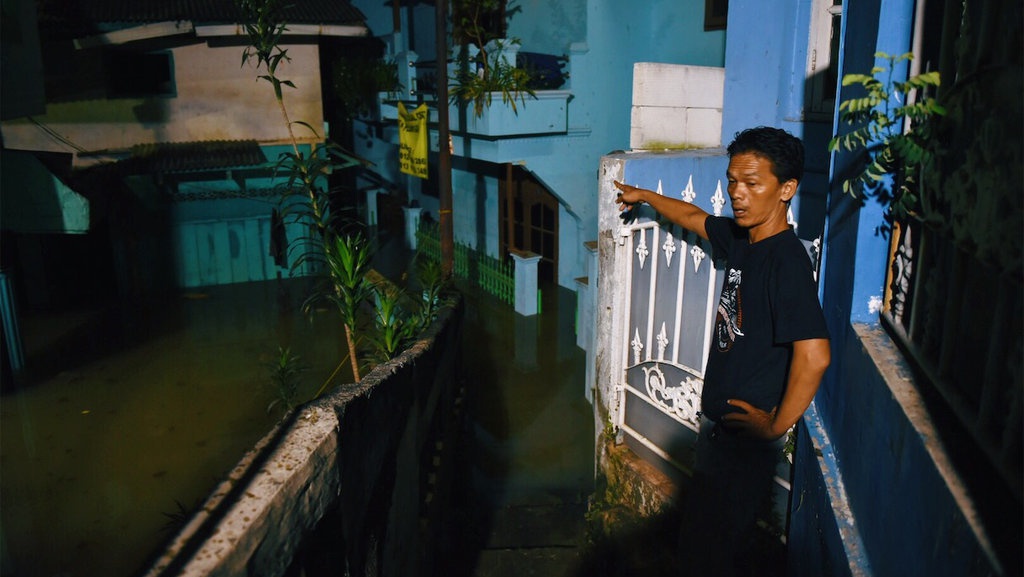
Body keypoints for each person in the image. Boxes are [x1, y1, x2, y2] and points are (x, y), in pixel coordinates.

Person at [614, 126, 831, 576]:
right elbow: (693, 217)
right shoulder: (742, 238)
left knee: (710, 553)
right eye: (733, 181)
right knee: (699, 541)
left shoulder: (785, 262)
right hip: (718, 432)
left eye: (753, 183)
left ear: (786, 189)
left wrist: (774, 426)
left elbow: (815, 356)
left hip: (744, 443)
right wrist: (646, 196)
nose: (738, 193)